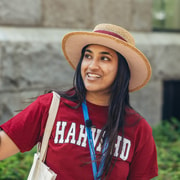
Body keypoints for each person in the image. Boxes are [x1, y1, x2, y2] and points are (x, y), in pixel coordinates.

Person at [0, 23, 158, 179]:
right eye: (88, 56)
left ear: (122, 70)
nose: (92, 66)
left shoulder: (138, 128)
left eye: (104, 58)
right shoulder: (51, 106)